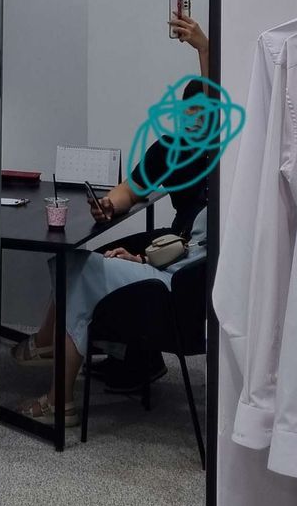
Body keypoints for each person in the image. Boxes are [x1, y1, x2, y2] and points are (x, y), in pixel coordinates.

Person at [12, 71, 214, 425]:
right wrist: (108, 205)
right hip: (175, 259)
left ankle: (58, 396)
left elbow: (193, 252)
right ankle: (111, 356)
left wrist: (142, 259)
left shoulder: (225, 166)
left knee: (77, 269)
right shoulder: (171, 150)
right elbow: (129, 191)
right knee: (84, 261)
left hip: (179, 282)